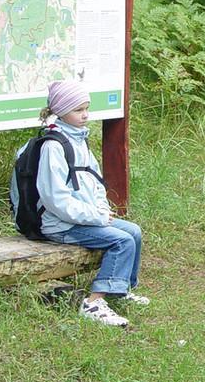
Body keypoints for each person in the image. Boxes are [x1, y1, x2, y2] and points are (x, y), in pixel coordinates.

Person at [15, 80, 149, 327]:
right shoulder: (54, 146)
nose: (85, 115)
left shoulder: (79, 140)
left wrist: (101, 209)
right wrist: (95, 217)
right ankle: (94, 302)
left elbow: (95, 180)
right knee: (122, 240)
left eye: (86, 108)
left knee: (134, 231)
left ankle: (122, 289)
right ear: (61, 111)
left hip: (83, 217)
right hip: (58, 224)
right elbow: (55, 199)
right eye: (78, 110)